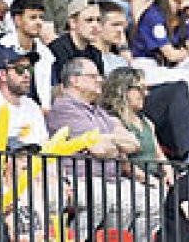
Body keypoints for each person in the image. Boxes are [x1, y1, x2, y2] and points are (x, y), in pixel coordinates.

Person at [47, 57, 161, 240]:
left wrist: (107, 141)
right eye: (93, 76)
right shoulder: (64, 108)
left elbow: (133, 143)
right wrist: (114, 144)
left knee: (154, 199)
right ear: (75, 80)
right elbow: (98, 148)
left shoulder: (98, 111)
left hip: (112, 180)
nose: (100, 80)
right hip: (80, 179)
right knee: (104, 196)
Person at [99, 66, 174, 186]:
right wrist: (150, 181)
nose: (145, 93)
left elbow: (159, 155)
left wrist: (168, 172)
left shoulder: (147, 122)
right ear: (122, 89)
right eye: (140, 89)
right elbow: (125, 164)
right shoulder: (113, 121)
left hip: (156, 179)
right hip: (134, 183)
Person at [0, 47, 48, 148]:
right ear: (2, 75)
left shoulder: (33, 106)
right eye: (19, 69)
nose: (27, 74)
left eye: (29, 68)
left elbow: (44, 144)